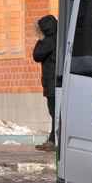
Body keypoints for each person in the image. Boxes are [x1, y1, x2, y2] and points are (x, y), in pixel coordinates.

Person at [32, 15, 57, 152]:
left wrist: (39, 41)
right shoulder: (59, 38)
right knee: (57, 113)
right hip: (57, 82)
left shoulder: (48, 41)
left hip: (51, 83)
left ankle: (53, 140)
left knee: (54, 113)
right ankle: (54, 139)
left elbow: (36, 55)